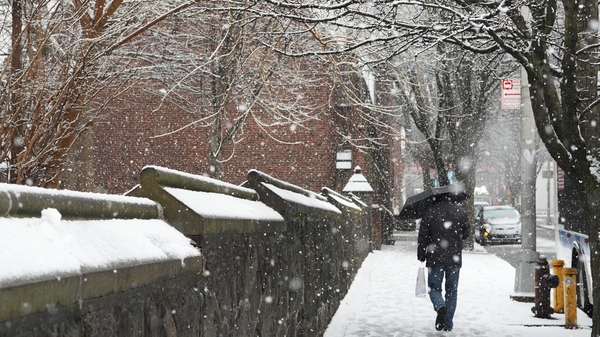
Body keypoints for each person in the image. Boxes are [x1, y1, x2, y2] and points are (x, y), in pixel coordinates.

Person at [417, 196, 470, 332]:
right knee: (452, 291)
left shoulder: (430, 212)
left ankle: (440, 306)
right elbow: (466, 234)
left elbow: (423, 236)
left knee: (434, 288)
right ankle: (448, 323)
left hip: (435, 258)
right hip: (454, 259)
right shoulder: (460, 211)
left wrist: (421, 253)